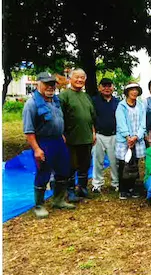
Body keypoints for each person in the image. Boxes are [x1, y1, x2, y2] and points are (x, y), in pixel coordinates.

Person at [22, 72, 76, 218]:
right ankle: (39, 206)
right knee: (44, 172)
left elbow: (58, 120)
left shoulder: (55, 101)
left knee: (64, 170)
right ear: (38, 84)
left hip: (58, 141)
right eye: (46, 84)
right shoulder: (32, 104)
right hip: (43, 142)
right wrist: (37, 149)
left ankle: (58, 200)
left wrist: (62, 135)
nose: (50, 87)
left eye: (52, 84)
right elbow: (29, 131)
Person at [59, 68, 96, 201]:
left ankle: (82, 188)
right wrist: (61, 134)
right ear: (70, 79)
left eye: (82, 78)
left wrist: (93, 132)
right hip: (71, 138)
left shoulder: (86, 97)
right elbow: (59, 117)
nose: (80, 80)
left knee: (85, 165)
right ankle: (70, 191)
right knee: (71, 166)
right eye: (77, 77)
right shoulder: (64, 96)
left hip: (86, 137)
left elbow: (91, 117)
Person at [115, 82, 146, 200]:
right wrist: (128, 136)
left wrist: (136, 136)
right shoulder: (121, 106)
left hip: (137, 139)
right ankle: (123, 189)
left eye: (136, 90)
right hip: (124, 140)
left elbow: (143, 123)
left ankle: (132, 188)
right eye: (132, 90)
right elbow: (121, 122)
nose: (134, 92)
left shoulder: (141, 106)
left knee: (134, 164)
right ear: (127, 92)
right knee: (123, 164)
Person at [91, 78, 120, 194]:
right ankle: (97, 184)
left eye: (109, 86)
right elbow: (91, 118)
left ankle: (116, 183)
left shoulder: (118, 102)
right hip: (99, 135)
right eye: (104, 86)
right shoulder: (94, 101)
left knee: (114, 162)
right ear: (99, 87)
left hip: (114, 135)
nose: (107, 88)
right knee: (97, 161)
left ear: (113, 87)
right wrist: (93, 133)